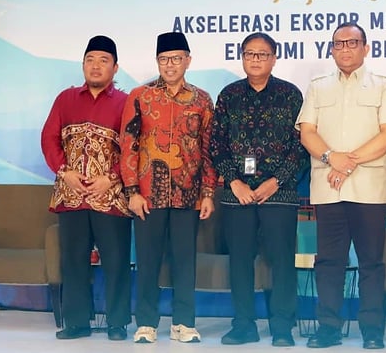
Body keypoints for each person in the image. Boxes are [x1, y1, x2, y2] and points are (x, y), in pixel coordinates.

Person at [296, 22, 386, 349]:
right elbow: (307, 132)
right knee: (329, 262)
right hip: (329, 187)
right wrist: (333, 158)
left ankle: (372, 330)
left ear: (365, 48)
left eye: (352, 43)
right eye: (339, 44)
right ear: (331, 50)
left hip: (369, 186)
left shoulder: (383, 85)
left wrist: (348, 162)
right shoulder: (318, 86)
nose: (345, 49)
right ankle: (328, 327)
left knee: (371, 260)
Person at [211, 32, 309, 347]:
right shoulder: (229, 95)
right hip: (237, 194)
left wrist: (275, 181)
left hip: (279, 193)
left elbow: (301, 146)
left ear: (274, 58)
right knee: (240, 260)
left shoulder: (290, 95)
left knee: (281, 260)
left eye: (262, 54)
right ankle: (243, 325)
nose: (255, 59)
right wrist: (234, 181)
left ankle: (282, 326)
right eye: (250, 54)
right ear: (242, 57)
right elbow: (216, 144)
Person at [119, 31, 216, 344]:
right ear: (157, 62)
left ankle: (184, 323)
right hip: (148, 195)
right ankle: (146, 323)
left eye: (176, 59)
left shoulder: (202, 99)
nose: (170, 65)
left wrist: (208, 193)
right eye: (164, 59)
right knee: (147, 261)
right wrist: (132, 191)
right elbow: (128, 144)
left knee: (185, 261)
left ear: (188, 60)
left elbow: (208, 149)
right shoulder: (141, 96)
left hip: (188, 195)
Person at [41, 35, 132, 341]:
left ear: (115, 68)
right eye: (90, 60)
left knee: (116, 261)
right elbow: (49, 138)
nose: (96, 66)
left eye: (103, 60)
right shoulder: (65, 99)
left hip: (110, 197)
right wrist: (64, 172)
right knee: (74, 260)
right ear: (83, 65)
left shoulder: (125, 103)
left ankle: (117, 323)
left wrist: (112, 178)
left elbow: (134, 148)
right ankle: (77, 322)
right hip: (72, 195)